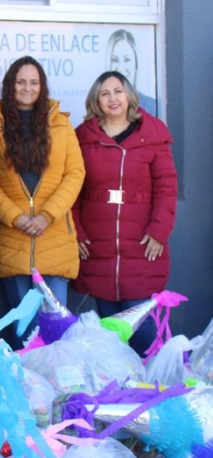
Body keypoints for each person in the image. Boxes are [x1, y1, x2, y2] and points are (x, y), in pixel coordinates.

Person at [72, 71, 177, 356]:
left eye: (117, 91)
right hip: (98, 244)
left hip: (141, 243)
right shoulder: (83, 138)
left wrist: (159, 230)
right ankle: (118, 380)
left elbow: (166, 187)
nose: (112, 98)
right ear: (96, 100)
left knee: (141, 328)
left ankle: (147, 377)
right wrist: (76, 232)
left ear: (129, 95)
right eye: (104, 93)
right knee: (109, 327)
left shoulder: (153, 134)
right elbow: (72, 188)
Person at [0, 56, 85, 348]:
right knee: (25, 334)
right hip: (12, 242)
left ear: (42, 87)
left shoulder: (61, 124)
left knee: (57, 332)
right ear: (10, 85)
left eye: (34, 82)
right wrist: (16, 217)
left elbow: (75, 173)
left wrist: (46, 216)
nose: (27, 88)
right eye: (20, 82)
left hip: (54, 239)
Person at [106, 29, 157, 116]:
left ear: (136, 64)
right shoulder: (100, 107)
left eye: (127, 60)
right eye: (115, 60)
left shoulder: (152, 107)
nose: (121, 68)